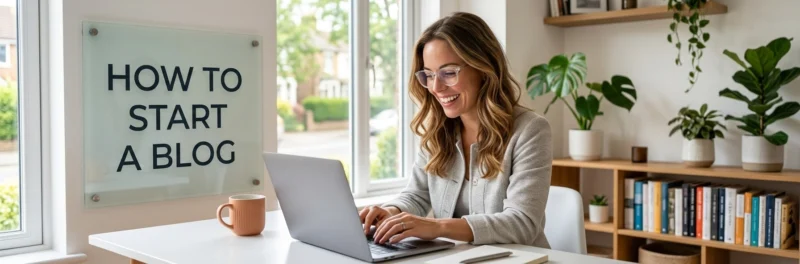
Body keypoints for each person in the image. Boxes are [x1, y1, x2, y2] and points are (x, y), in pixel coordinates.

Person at [359, 12, 553, 248]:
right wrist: (391, 212)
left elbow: (521, 223)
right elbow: (417, 194)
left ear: (483, 67)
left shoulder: (530, 130)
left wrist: (438, 227)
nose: (436, 87)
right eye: (428, 75)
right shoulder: (438, 132)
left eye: (448, 72)